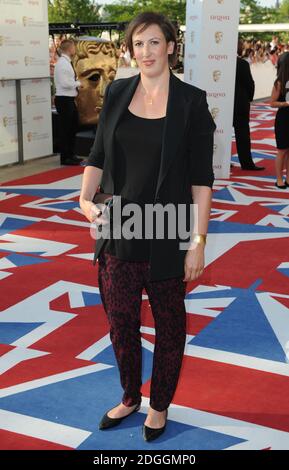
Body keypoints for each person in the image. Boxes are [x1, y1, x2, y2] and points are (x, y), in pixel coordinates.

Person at [79, 11, 216, 442]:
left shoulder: (191, 102)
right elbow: (98, 154)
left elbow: (201, 181)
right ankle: (129, 396)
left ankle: (159, 405)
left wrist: (197, 243)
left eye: (154, 42)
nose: (146, 51)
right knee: (120, 323)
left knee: (170, 326)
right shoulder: (118, 92)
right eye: (138, 43)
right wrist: (85, 200)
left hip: (168, 232)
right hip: (118, 228)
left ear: (171, 47)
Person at [233, 39, 265, 171]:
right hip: (240, 105)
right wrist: (248, 99)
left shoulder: (220, 65)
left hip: (222, 104)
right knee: (243, 135)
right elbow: (250, 84)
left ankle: (220, 162)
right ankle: (246, 163)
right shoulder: (242, 64)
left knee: (219, 135)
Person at [54, 39, 83, 166]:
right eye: (73, 47)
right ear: (69, 48)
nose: (75, 49)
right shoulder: (62, 64)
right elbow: (65, 83)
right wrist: (78, 83)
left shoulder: (66, 63)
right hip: (64, 99)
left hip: (68, 99)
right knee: (66, 129)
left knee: (72, 127)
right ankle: (65, 157)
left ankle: (70, 154)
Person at [269, 53, 289, 188]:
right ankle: (279, 178)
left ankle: (288, 177)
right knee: (282, 150)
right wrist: (285, 104)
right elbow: (272, 103)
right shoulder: (279, 83)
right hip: (283, 119)